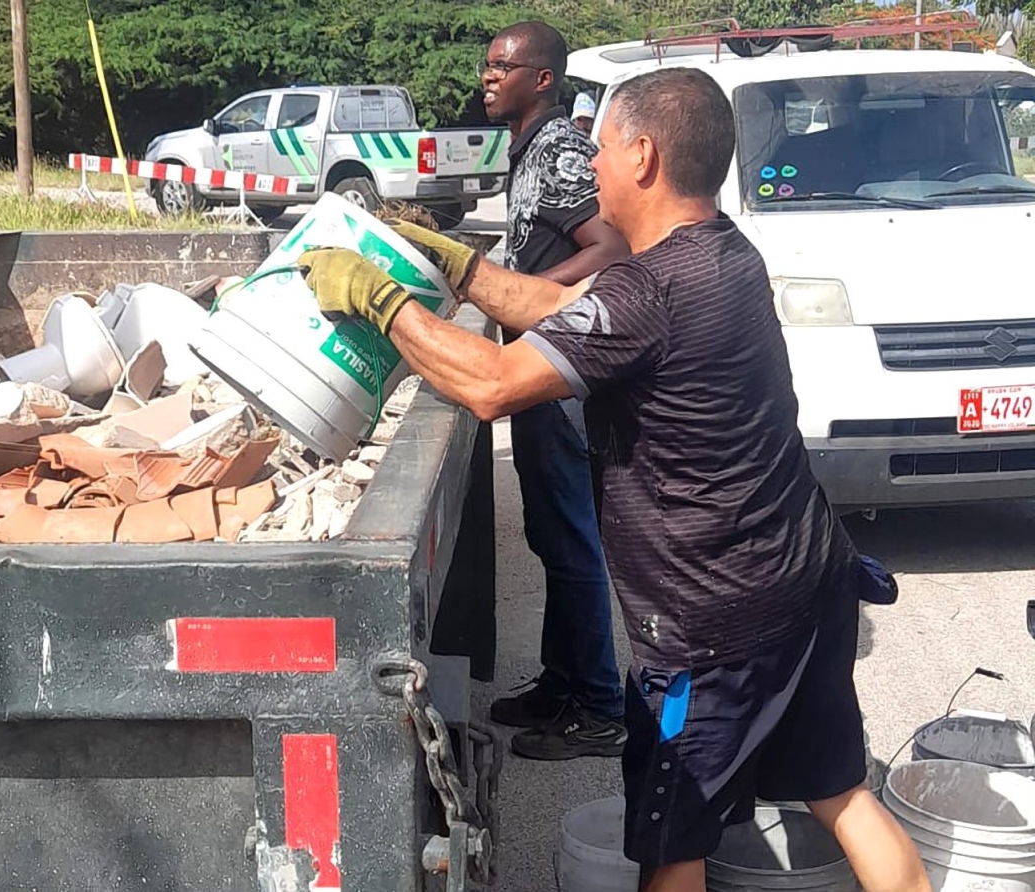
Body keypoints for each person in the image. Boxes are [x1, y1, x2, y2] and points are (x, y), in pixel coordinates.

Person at [298, 66, 931, 892]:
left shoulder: (649, 290)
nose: (588, 166)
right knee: (841, 793)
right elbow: (563, 311)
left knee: (671, 848)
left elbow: (490, 383)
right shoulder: (724, 253)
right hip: (807, 584)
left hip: (713, 630)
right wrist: (457, 268)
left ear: (642, 154)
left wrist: (381, 301)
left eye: (599, 149)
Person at [475, 20, 631, 760]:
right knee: (549, 531)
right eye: (487, 65)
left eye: (503, 66)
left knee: (571, 539)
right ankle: (562, 683)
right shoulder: (529, 145)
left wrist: (526, 293)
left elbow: (608, 247)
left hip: (559, 368)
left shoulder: (562, 149)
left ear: (542, 78)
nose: (488, 76)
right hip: (536, 361)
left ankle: (599, 706)